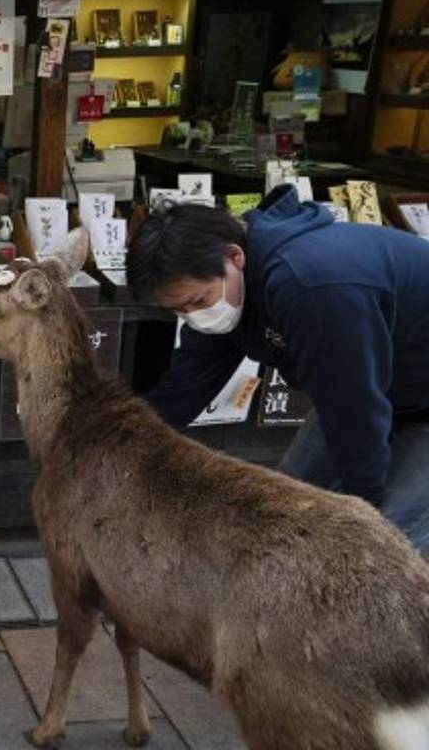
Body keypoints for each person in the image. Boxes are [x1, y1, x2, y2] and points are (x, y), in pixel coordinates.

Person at [126, 183, 429, 553]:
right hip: (372, 389)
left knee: (381, 547)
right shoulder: (226, 291)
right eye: (178, 311)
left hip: (390, 396)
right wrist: (123, 442)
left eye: (197, 301)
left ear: (234, 256)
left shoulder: (310, 284)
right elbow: (187, 386)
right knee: (280, 515)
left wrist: (363, 504)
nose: (195, 316)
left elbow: (353, 408)